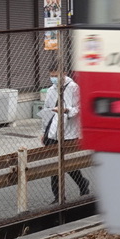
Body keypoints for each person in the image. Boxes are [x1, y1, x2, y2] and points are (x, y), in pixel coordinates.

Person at [41, 66, 90, 202]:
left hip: (69, 132)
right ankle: (58, 196)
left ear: (64, 73)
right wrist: (43, 131)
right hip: (52, 132)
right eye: (52, 75)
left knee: (69, 164)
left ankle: (82, 184)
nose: (54, 78)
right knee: (54, 165)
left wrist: (66, 110)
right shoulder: (51, 90)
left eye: (56, 75)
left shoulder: (73, 88)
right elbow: (47, 111)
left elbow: (80, 107)